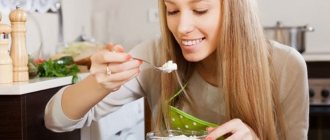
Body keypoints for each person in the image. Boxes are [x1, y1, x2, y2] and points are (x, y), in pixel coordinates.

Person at [44, 0, 309, 139]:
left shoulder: (285, 65)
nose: (182, 28)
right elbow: (56, 120)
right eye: (172, 10)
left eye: (200, 9)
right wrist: (97, 84)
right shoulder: (156, 55)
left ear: (235, 10)